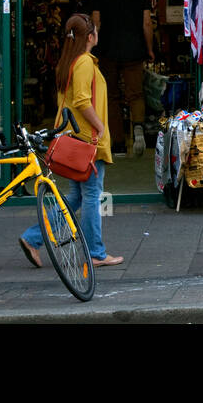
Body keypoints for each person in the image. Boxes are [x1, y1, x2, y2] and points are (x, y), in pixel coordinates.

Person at [19, 14, 123, 269]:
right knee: (91, 196)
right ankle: (96, 253)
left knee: (76, 197)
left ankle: (32, 238)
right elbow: (82, 101)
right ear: (90, 37)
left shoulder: (68, 61)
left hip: (73, 140)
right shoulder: (85, 62)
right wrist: (100, 126)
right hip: (87, 141)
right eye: (96, 32)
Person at [90, 0, 154, 157]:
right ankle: (137, 127)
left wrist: (90, 49)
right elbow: (146, 23)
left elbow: (96, 23)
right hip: (134, 49)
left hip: (107, 50)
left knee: (111, 96)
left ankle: (117, 143)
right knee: (136, 93)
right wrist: (150, 48)